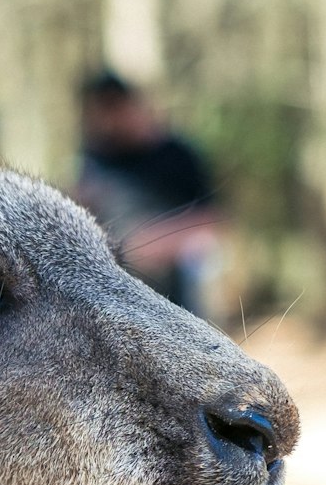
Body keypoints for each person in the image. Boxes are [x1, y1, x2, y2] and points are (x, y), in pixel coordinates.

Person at [76, 70, 221, 318]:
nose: (107, 121)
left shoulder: (178, 155)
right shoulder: (96, 159)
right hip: (120, 264)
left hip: (177, 263)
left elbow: (211, 222)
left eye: (114, 108)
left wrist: (154, 241)